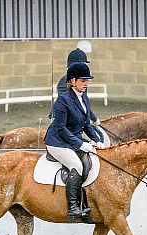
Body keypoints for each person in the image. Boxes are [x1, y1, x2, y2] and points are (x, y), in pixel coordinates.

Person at [44, 62, 104, 222]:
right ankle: (73, 208)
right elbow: (61, 129)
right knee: (76, 165)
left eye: (87, 81)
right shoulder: (63, 101)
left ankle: (85, 204)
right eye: (82, 81)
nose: (86, 84)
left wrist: (97, 140)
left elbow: (85, 124)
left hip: (72, 139)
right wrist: (80, 144)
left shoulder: (83, 97)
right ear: (72, 81)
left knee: (91, 159)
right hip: (57, 141)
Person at [50, 48, 101, 128]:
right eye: (83, 63)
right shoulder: (64, 82)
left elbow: (83, 103)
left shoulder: (81, 81)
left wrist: (94, 119)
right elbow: (70, 105)